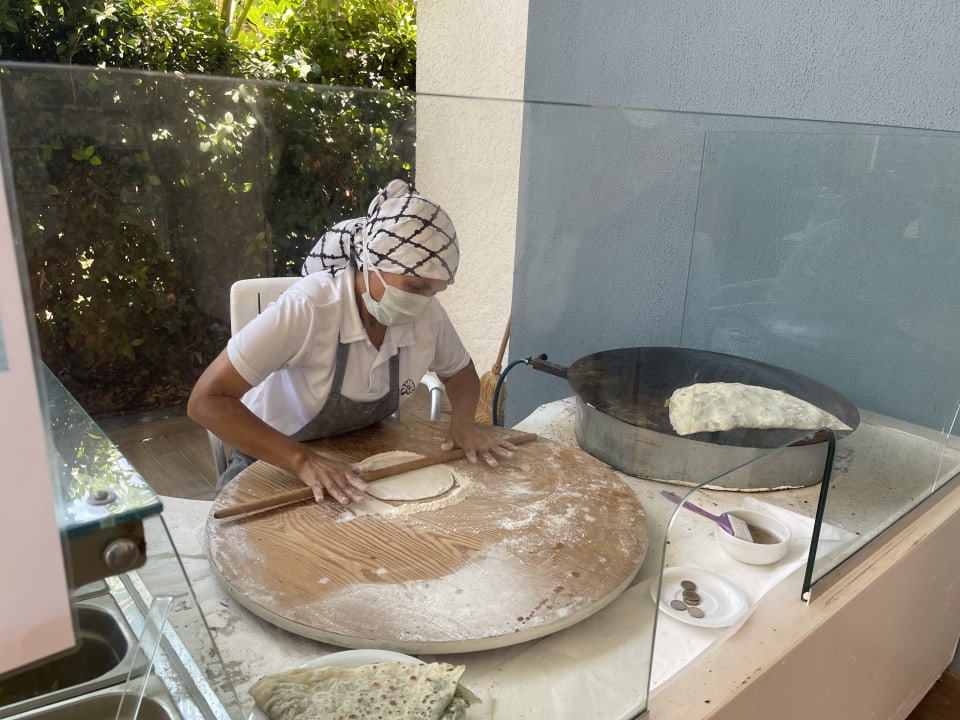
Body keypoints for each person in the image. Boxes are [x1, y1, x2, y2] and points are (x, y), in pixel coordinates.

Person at [187, 179, 517, 504]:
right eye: (415, 287)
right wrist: (302, 461)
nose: (423, 302)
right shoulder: (310, 308)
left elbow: (460, 372)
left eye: (434, 291)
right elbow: (206, 401)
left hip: (361, 452)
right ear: (372, 263)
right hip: (272, 458)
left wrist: (463, 423)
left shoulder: (427, 314)